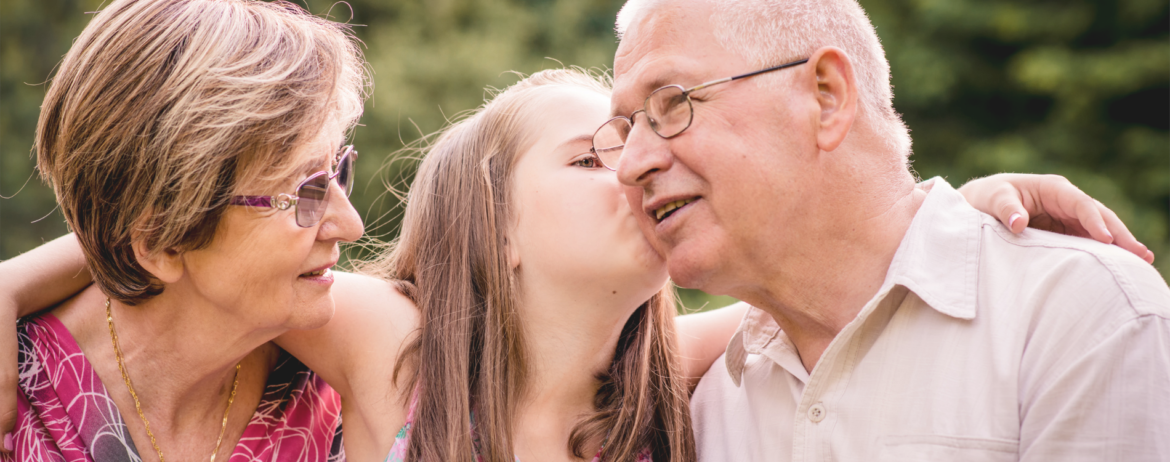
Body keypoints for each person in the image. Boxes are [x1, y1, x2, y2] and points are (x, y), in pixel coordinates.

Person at [1, 61, 1153, 462]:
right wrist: (10, 286)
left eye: (651, 141)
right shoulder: (387, 347)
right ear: (497, 229)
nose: (641, 165)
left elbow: (842, 297)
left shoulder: (679, 384)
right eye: (593, 153)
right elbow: (214, 233)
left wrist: (941, 214)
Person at [601, 0, 1170, 460]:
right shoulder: (696, 405)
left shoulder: (1080, 317)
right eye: (625, 129)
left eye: (671, 103)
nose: (630, 163)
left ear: (826, 97)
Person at [0, 0, 369, 459]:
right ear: (163, 242)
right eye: (307, 192)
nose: (350, 225)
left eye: (338, 171)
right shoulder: (20, 408)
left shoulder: (353, 374)